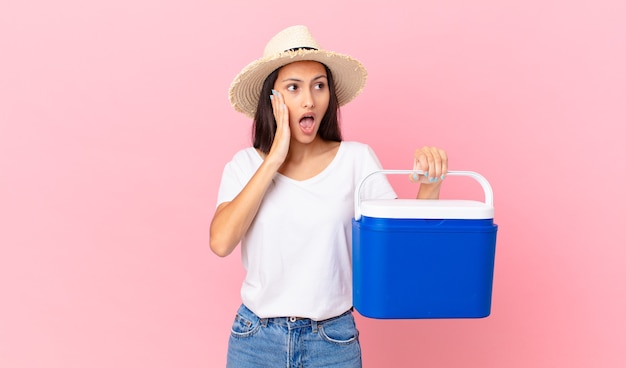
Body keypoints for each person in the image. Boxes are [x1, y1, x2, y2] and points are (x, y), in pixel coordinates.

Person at [210, 25, 448, 368]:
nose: (309, 100)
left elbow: (398, 255)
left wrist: (430, 186)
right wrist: (274, 158)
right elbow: (220, 242)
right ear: (272, 99)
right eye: (293, 88)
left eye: (319, 86)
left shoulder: (357, 160)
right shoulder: (243, 165)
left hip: (332, 342)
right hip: (255, 341)